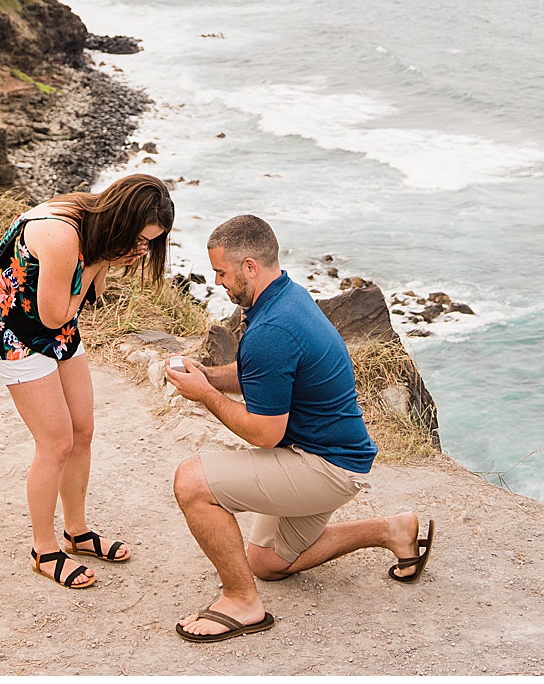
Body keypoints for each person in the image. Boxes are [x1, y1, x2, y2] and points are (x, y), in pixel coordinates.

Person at [165, 213, 434, 642]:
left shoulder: (272, 327)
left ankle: (241, 602)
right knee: (267, 562)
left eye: (222, 272)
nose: (218, 281)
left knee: (192, 482)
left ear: (249, 266)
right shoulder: (287, 296)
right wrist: (210, 376)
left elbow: (264, 434)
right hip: (331, 457)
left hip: (323, 467)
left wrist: (204, 396)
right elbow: (264, 372)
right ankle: (390, 530)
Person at [0, 173, 175, 590]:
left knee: (82, 430)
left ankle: (76, 532)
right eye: (140, 239)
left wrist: (108, 260)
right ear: (121, 220)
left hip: (56, 329)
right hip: (15, 335)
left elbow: (93, 295)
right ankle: (44, 550)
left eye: (149, 242)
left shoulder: (96, 225)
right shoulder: (64, 235)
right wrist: (103, 260)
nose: (142, 249)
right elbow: (54, 314)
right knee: (56, 442)